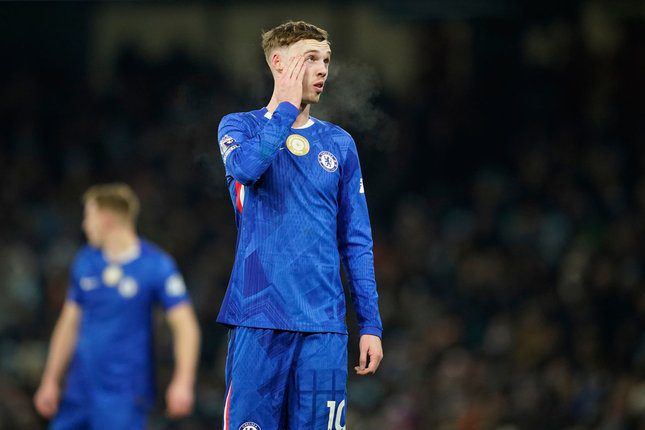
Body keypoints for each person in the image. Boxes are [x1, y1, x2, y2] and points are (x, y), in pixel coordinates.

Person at [216, 20, 383, 429]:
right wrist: (286, 110)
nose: (323, 69)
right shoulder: (239, 126)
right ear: (278, 62)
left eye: (326, 59)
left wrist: (370, 324)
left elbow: (356, 242)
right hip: (258, 318)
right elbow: (247, 169)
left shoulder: (340, 144)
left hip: (323, 327)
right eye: (310, 59)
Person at [33, 183, 201, 430]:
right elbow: (68, 324)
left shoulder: (156, 265)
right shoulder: (86, 261)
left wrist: (183, 382)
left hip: (124, 394)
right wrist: (51, 380)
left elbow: (186, 326)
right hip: (79, 389)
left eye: (89, 217)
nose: (85, 225)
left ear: (106, 219)